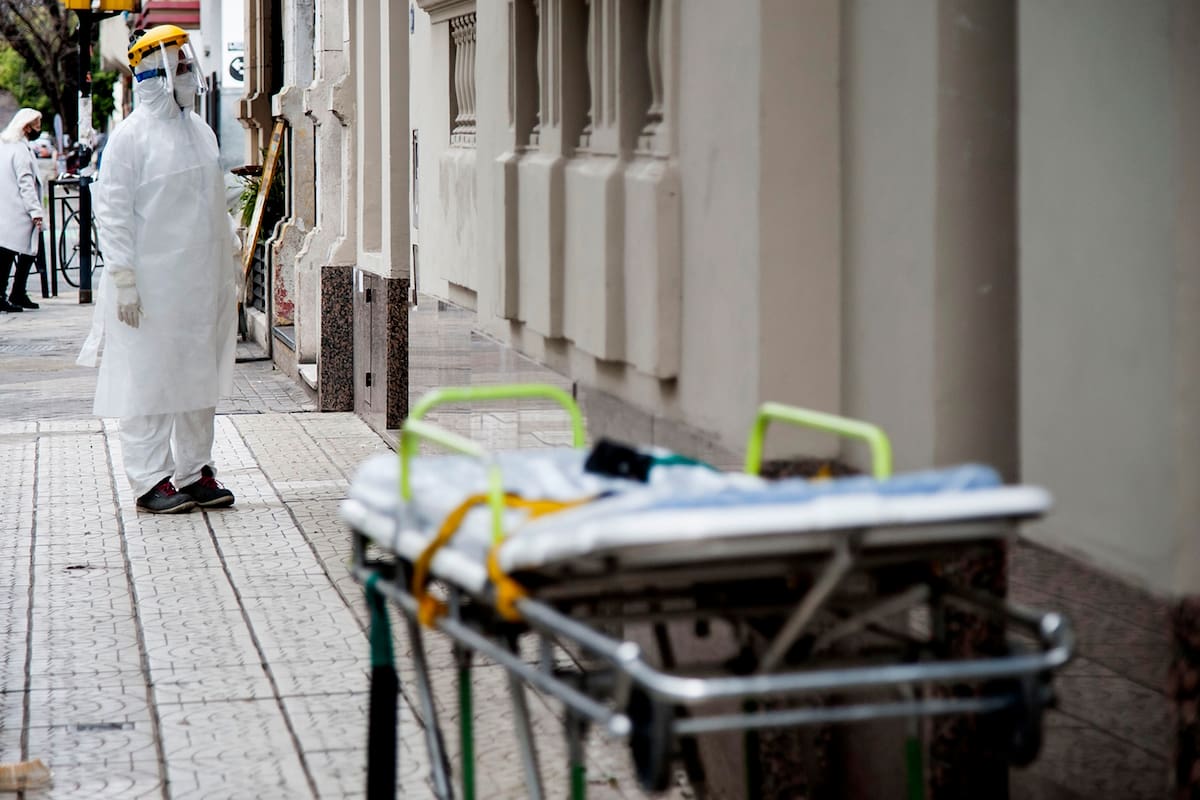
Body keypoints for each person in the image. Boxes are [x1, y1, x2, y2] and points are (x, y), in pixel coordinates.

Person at [77, 25, 238, 514]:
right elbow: (113, 212)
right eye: (181, 68)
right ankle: (150, 480)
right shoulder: (130, 139)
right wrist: (123, 279)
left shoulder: (200, 132)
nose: (189, 75)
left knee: (197, 380)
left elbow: (209, 197)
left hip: (199, 282)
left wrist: (234, 222)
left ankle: (194, 471)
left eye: (188, 66)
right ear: (158, 74)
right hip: (149, 288)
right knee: (148, 380)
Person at [0, 108, 47, 312]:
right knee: (17, 252)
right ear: (26, 127)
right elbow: (26, 183)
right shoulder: (19, 150)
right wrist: (35, 212)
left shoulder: (7, 146)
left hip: (9, 209)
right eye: (37, 125)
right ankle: (11, 293)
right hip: (19, 211)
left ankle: (16, 292)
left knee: (18, 252)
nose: (39, 129)